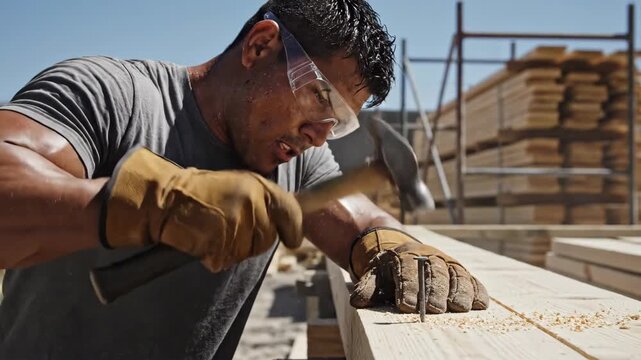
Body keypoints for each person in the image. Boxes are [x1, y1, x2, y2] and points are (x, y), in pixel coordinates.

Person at [0, 0, 489, 359]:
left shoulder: (293, 164)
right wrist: (161, 203)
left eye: (341, 122)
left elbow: (360, 221)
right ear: (260, 46)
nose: (321, 136)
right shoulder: (113, 97)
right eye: (322, 101)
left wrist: (393, 245)